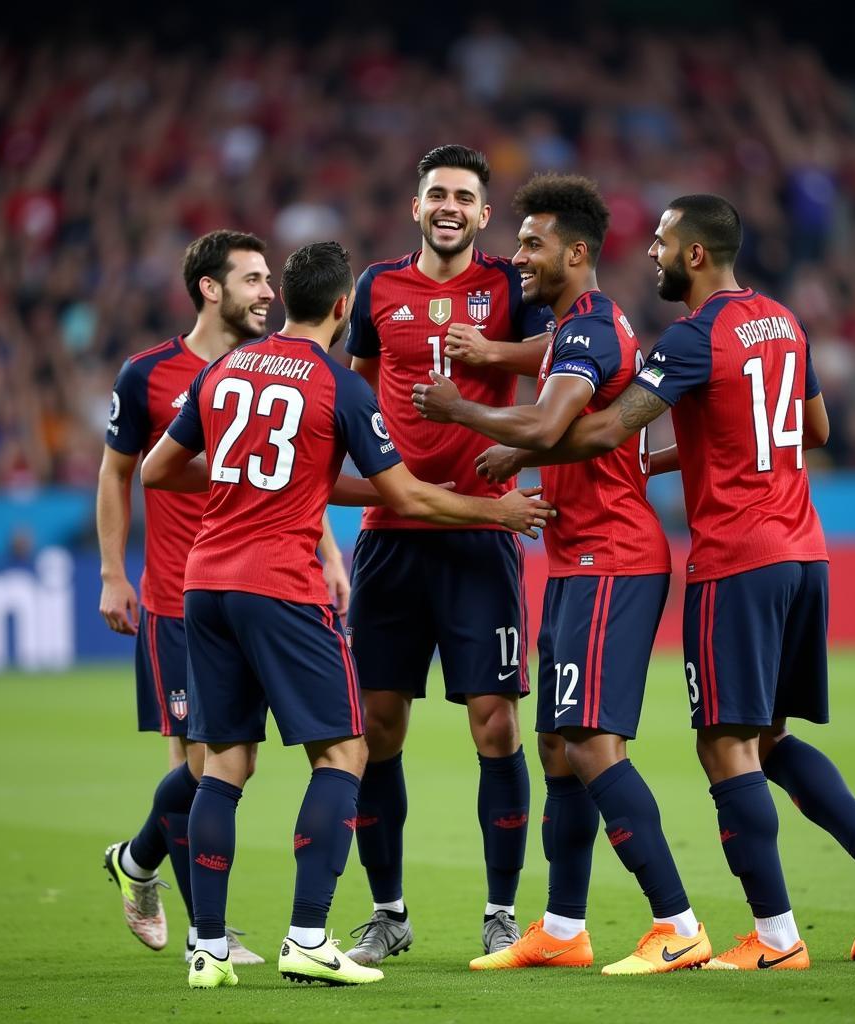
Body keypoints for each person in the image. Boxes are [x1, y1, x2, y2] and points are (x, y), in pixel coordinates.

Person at [478, 194, 855, 970]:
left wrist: (518, 447)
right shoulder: (783, 321)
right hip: (804, 549)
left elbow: (611, 426)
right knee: (772, 738)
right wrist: (667, 457)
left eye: (660, 241)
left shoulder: (693, 336)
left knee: (724, 745)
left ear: (694, 255)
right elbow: (810, 430)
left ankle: (775, 939)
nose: (648, 252)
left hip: (736, 556)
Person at [139, 240, 555, 989]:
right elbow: (409, 497)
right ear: (342, 309)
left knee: (225, 765)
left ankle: (205, 949)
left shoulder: (222, 369)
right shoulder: (339, 387)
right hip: (281, 586)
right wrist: (496, 512)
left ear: (286, 301)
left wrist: (244, 480)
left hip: (202, 584)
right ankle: (306, 936)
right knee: (344, 755)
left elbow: (156, 469)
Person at [414, 173, 710, 975]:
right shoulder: (578, 326)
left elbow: (550, 418)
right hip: (577, 558)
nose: (519, 255)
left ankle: (677, 923)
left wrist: (465, 409)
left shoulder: (588, 332)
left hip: (612, 558)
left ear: (577, 253)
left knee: (589, 741)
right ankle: (564, 928)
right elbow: (552, 391)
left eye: (535, 244)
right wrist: (510, 406)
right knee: (553, 742)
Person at [98, 229, 349, 965]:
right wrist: (114, 572)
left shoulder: (271, 370)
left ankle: (138, 860)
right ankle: (209, 937)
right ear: (210, 288)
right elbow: (119, 474)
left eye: (272, 279)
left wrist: (326, 551)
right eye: (253, 280)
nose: (269, 292)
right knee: (207, 767)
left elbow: (296, 474)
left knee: (224, 766)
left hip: (262, 581)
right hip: (179, 596)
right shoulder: (147, 374)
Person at [343, 144, 554, 964]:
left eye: (464, 196)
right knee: (377, 728)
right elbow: (356, 388)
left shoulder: (510, 285)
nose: (449, 207)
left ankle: (502, 912)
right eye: (437, 193)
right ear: (416, 204)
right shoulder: (377, 288)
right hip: (392, 541)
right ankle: (388, 913)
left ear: (484, 213)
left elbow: (565, 355)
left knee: (495, 725)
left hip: (481, 534)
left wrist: (493, 362)